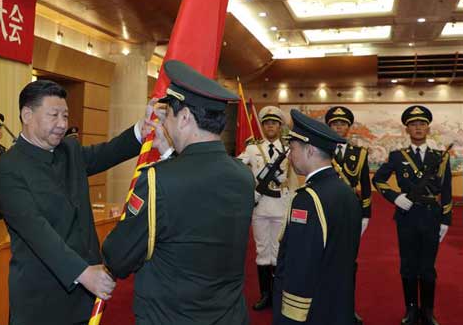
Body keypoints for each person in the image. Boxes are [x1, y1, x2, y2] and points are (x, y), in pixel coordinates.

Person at [102, 60, 256, 325]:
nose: (166, 123)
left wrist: (166, 163)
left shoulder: (156, 180)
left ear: (184, 117)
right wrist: (169, 154)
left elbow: (118, 257)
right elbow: (198, 202)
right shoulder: (243, 176)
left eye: (169, 115)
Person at [0, 79, 150, 324]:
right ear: (27, 115)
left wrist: (142, 127)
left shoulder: (69, 150)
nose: (62, 124)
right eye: (54, 115)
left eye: (65, 115)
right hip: (44, 302)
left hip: (86, 297)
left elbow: (107, 152)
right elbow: (37, 232)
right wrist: (83, 273)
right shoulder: (7, 168)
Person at [273, 109, 361, 325]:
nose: (290, 155)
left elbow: (300, 263)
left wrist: (291, 316)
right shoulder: (345, 190)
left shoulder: (307, 199)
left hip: (312, 310)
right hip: (337, 304)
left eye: (292, 148)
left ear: (310, 150)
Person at [372, 105, 451, 325]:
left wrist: (446, 219)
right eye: (413, 124)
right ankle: (411, 310)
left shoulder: (440, 157)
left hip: (431, 216)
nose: (418, 127)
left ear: (428, 128)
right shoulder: (397, 157)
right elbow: (378, 179)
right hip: (406, 218)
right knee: (408, 265)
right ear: (407, 129)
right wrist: (395, 197)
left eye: (422, 124)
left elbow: (445, 190)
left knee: (427, 267)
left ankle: (427, 311)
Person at [238, 106, 296, 311]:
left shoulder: (290, 148)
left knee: (279, 251)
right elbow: (237, 167)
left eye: (274, 122)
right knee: (262, 251)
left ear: (280, 126)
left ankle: (279, 293)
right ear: (262, 126)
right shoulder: (253, 148)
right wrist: (248, 188)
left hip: (281, 205)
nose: (270, 125)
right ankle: (266, 295)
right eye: (266, 123)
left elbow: (299, 169)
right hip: (260, 206)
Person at [325, 105, 371, 324]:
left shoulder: (359, 154)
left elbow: (365, 185)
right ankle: (326, 306)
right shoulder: (321, 151)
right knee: (324, 259)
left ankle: (347, 307)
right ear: (329, 127)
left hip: (351, 213)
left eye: (342, 123)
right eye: (335, 123)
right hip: (325, 211)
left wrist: (366, 215)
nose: (339, 127)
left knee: (348, 263)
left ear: (349, 128)